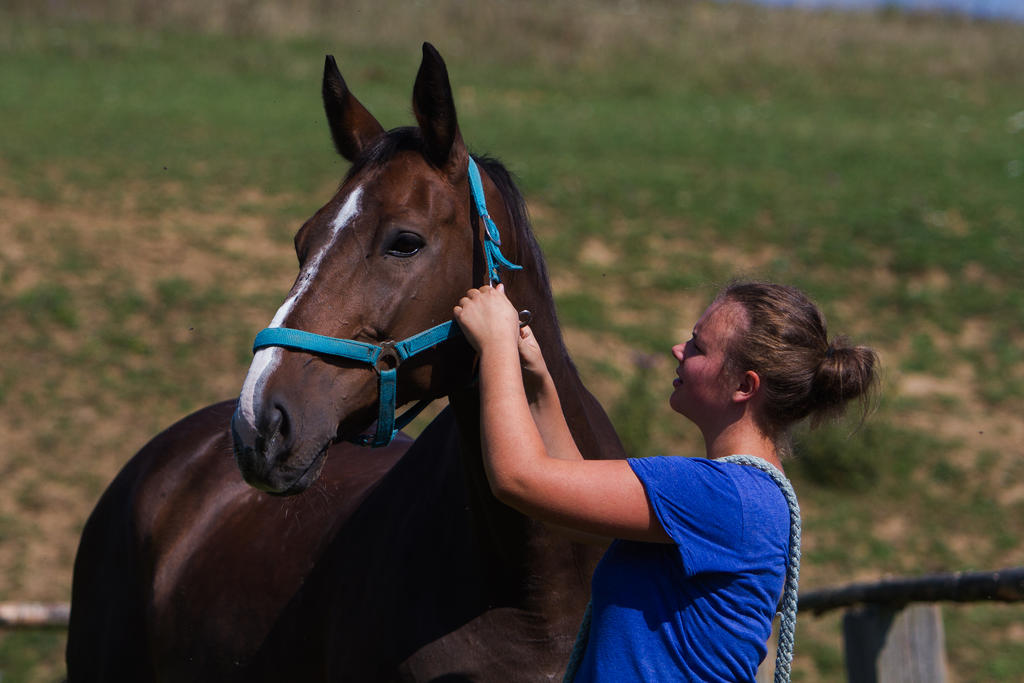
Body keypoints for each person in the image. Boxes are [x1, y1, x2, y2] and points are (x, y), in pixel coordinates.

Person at [453, 280, 879, 682]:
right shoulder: (745, 497)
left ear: (744, 386)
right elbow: (571, 516)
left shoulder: (717, 494)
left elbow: (517, 478)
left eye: (699, 346)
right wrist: (540, 381)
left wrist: (495, 346)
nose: (679, 349)